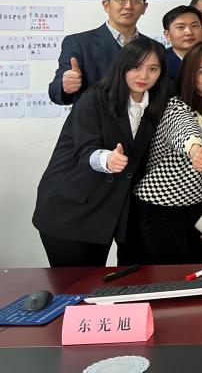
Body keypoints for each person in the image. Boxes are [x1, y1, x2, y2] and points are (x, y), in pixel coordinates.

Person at [33, 37, 168, 267]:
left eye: (153, 69)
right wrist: (107, 159)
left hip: (107, 212)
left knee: (96, 282)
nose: (144, 76)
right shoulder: (95, 98)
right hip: (69, 210)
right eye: (136, 67)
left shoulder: (156, 103)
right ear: (122, 66)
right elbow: (85, 151)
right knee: (74, 284)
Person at [134, 41, 202, 264]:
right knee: (173, 273)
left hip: (199, 206)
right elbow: (185, 133)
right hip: (161, 206)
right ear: (189, 74)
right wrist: (196, 151)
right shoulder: (175, 107)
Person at [48, 0, 150, 105]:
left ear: (144, 7)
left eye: (136, 0)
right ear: (106, 5)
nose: (128, 6)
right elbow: (55, 91)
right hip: (93, 117)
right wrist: (65, 86)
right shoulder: (78, 43)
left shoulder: (154, 47)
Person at [162, 5, 202, 88]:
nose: (189, 32)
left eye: (194, 26)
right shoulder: (160, 63)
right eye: (180, 27)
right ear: (167, 35)